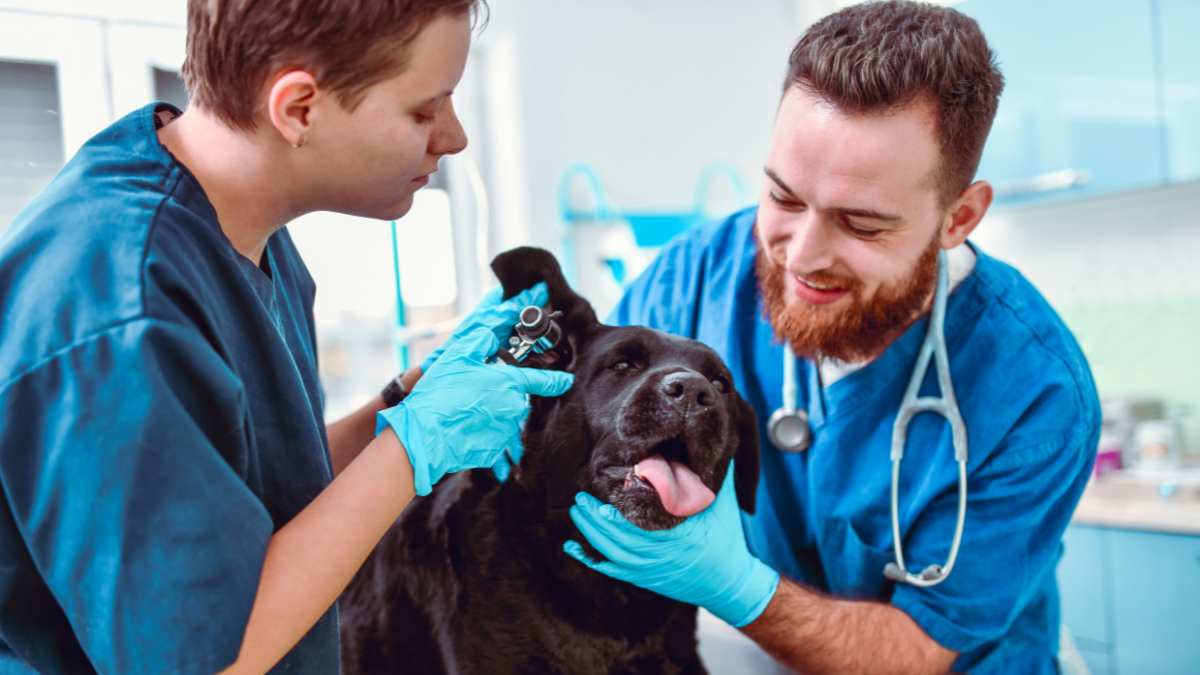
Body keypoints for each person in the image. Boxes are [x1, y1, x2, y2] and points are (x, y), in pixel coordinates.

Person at [0, 1, 574, 673]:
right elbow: (203, 658)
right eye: (425, 109)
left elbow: (250, 494)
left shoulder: (241, 231)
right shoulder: (124, 304)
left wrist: (402, 407)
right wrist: (413, 450)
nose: (454, 139)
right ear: (299, 107)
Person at [563, 2, 1100, 673]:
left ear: (957, 217)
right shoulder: (688, 286)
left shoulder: (1036, 392)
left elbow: (916, 650)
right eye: (785, 199)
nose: (803, 256)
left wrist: (736, 586)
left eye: (861, 224)